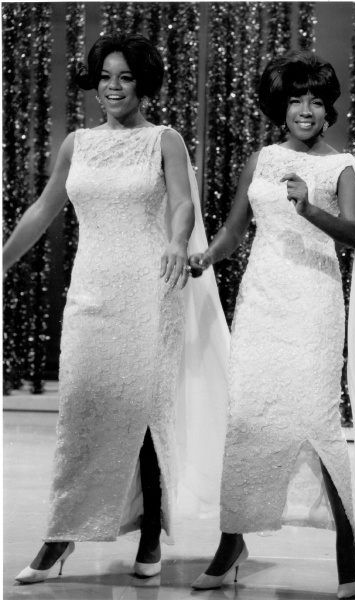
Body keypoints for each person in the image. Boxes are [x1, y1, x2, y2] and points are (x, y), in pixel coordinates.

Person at [5, 32, 229, 584]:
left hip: (151, 288)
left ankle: (150, 532)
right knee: (80, 408)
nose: (113, 87)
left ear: (142, 84)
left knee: (143, 412)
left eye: (125, 77)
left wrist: (177, 241)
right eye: (105, 76)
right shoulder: (77, 144)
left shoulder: (164, 140)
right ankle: (61, 533)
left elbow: (183, 202)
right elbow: (43, 208)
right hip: (91, 292)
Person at [188, 50, 355, 598]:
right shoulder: (262, 159)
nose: (305, 110)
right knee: (247, 418)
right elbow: (234, 229)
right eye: (295, 100)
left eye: (315, 101)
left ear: (328, 110)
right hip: (262, 302)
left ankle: (348, 550)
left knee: (318, 421)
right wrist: (207, 256)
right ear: (281, 108)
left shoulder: (343, 167)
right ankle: (231, 542)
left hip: (313, 304)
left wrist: (310, 209)